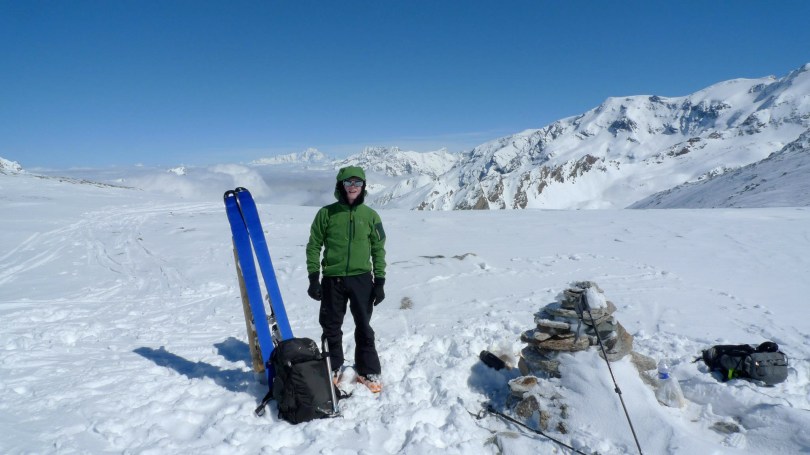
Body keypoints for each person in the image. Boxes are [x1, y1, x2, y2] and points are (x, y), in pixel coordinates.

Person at [306, 166, 386, 393]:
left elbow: (378, 249)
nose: (353, 186)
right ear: (340, 185)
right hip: (333, 279)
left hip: (362, 279)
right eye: (348, 182)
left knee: (364, 326)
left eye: (357, 182)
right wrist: (314, 278)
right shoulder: (326, 214)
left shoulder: (371, 216)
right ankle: (333, 366)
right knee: (331, 326)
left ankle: (368, 370)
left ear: (363, 186)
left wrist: (380, 281)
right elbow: (314, 246)